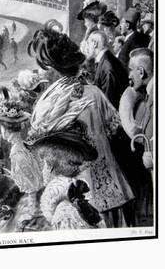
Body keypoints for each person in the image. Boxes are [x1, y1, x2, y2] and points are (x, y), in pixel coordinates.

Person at [28, 28, 134, 228]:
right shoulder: (94, 92)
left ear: (54, 68)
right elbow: (114, 128)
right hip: (107, 180)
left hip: (71, 187)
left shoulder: (48, 102)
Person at [25, 121, 105, 230]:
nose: (42, 170)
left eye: (43, 162)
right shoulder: (75, 194)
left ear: (51, 166)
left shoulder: (64, 211)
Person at [119, 48, 154, 225]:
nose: (129, 76)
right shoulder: (150, 92)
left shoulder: (155, 93)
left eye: (131, 70)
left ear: (140, 71)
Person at [86, 30, 129, 109]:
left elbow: (108, 103)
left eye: (88, 44)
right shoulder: (105, 59)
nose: (87, 48)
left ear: (95, 44)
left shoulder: (107, 65)